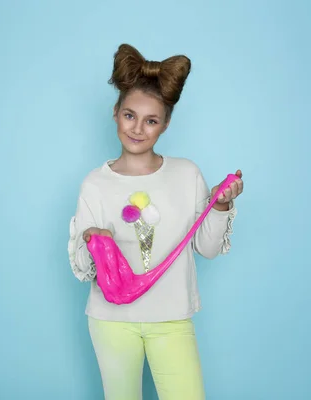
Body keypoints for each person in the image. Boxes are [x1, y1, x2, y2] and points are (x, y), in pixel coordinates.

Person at [67, 43, 244, 400]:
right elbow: (85, 270)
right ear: (115, 113)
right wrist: (92, 239)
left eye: (151, 120)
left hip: (172, 318)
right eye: (130, 115)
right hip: (111, 321)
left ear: (165, 124)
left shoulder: (186, 174)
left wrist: (221, 206)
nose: (138, 129)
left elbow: (207, 249)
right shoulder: (95, 184)